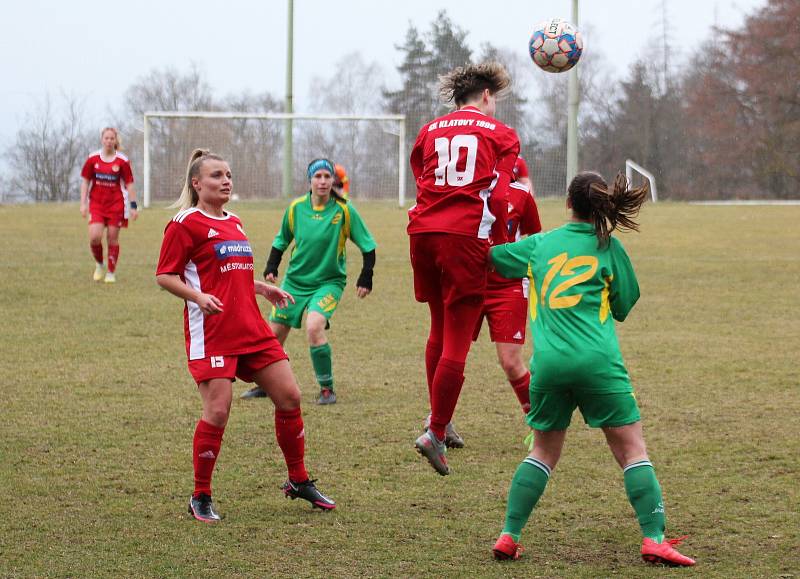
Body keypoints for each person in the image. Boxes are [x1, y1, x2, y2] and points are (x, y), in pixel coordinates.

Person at [489, 172, 695, 566]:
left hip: (548, 367)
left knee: (543, 451)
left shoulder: (539, 245)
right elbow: (624, 304)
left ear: (568, 204)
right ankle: (653, 538)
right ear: (600, 205)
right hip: (599, 364)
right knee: (632, 451)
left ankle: (509, 535)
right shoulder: (608, 247)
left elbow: (494, 259)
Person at [156, 149, 336, 523]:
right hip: (213, 331)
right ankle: (200, 496)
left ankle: (298, 480)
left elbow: (229, 272)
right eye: (216, 175)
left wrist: (262, 289)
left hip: (250, 327)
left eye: (228, 175)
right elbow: (165, 275)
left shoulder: (234, 221)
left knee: (289, 397)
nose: (226, 181)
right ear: (196, 183)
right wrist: (197, 297)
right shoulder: (183, 223)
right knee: (218, 411)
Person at [408, 62, 520, 475]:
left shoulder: (428, 130)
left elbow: (421, 175)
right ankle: (435, 431)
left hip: (422, 233)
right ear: (487, 95)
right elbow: (504, 195)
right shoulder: (502, 134)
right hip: (464, 238)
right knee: (457, 335)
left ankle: (440, 417)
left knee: (437, 327)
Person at [240, 158, 376, 404]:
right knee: (273, 336)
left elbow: (368, 245)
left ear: (333, 180)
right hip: (294, 282)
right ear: (310, 180)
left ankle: (327, 389)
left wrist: (366, 276)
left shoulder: (344, 210)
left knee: (314, 326)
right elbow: (282, 239)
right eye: (318, 176)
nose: (323, 181)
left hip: (328, 283)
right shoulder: (296, 208)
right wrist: (272, 266)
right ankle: (264, 384)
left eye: (327, 176)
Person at [424, 176, 542, 449]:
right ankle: (440, 422)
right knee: (450, 354)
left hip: (508, 286)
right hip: (467, 283)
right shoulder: (460, 192)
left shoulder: (521, 194)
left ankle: (541, 424)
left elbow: (534, 240)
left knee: (511, 362)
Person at [80, 127, 138, 283]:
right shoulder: (92, 159)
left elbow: (130, 184)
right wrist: (83, 203)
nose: (109, 141)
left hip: (116, 205)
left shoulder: (122, 161)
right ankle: (99, 264)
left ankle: (111, 272)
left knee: (112, 238)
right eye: (106, 138)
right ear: (102, 139)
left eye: (112, 138)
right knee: (94, 237)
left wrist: (133, 206)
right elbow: (85, 181)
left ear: (115, 140)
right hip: (97, 205)